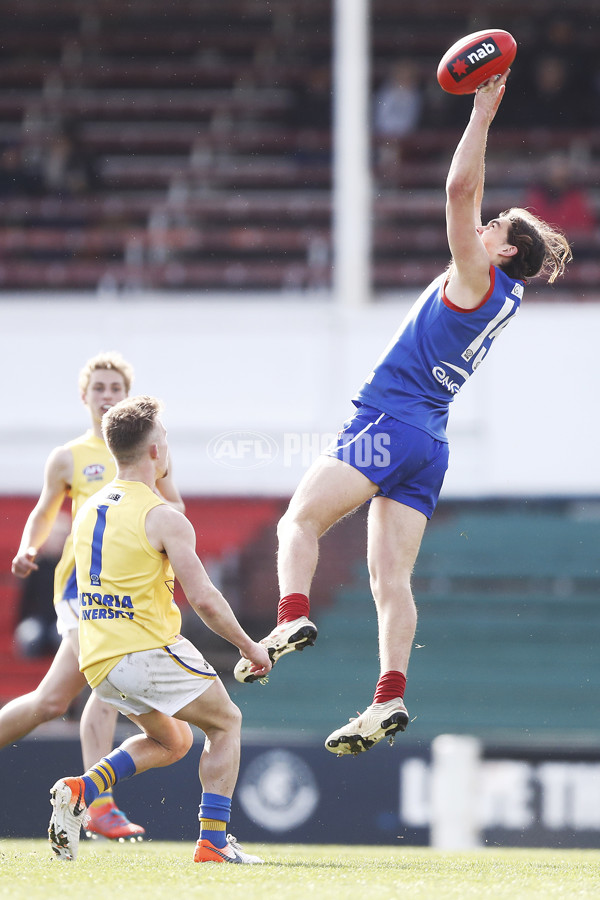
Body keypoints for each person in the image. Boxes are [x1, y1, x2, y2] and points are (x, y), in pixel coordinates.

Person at [233, 72, 572, 755]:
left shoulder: (477, 275)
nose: (480, 224)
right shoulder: (505, 295)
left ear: (504, 250)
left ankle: (290, 617)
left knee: (298, 520)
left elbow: (456, 190)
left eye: (495, 226)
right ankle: (389, 697)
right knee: (391, 581)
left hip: (387, 424)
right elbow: (468, 208)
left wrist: (482, 113)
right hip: (429, 443)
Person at [47, 396, 271, 863]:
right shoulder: (163, 516)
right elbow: (205, 599)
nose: (167, 447)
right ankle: (213, 841)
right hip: (144, 650)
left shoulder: (89, 508)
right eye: (164, 439)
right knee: (226, 722)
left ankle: (80, 787)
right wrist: (250, 646)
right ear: (154, 452)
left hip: (98, 660)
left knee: (175, 741)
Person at [7, 351, 185, 841]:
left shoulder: (148, 451)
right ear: (84, 396)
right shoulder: (69, 457)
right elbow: (45, 511)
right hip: (82, 586)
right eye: (99, 388)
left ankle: (96, 799)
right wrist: (29, 547)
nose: (107, 395)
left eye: (115, 388)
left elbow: (176, 505)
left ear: (125, 396)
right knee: (103, 678)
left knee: (50, 701)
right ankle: (99, 803)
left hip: (128, 586)